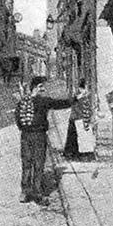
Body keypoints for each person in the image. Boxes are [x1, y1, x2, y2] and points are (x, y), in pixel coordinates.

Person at [15, 75, 72, 206]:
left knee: (27, 163)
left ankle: (24, 192)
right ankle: (37, 193)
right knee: (38, 164)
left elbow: (17, 119)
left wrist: (25, 128)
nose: (43, 89)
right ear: (36, 88)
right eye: (41, 86)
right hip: (39, 135)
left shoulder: (22, 102)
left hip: (25, 135)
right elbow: (59, 104)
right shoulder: (43, 101)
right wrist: (75, 99)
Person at [63, 78, 95, 161]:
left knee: (78, 138)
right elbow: (78, 109)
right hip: (77, 119)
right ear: (81, 89)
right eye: (85, 88)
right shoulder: (79, 97)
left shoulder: (85, 97)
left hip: (79, 119)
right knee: (75, 138)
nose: (86, 90)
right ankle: (73, 155)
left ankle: (76, 154)